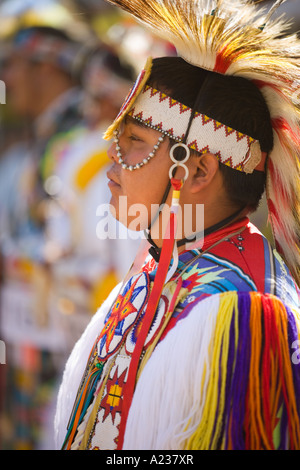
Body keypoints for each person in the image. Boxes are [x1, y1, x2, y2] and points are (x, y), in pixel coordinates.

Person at [54, 0, 300, 450]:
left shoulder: (242, 314)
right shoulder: (161, 264)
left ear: (198, 170)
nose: (113, 161)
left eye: (134, 142)